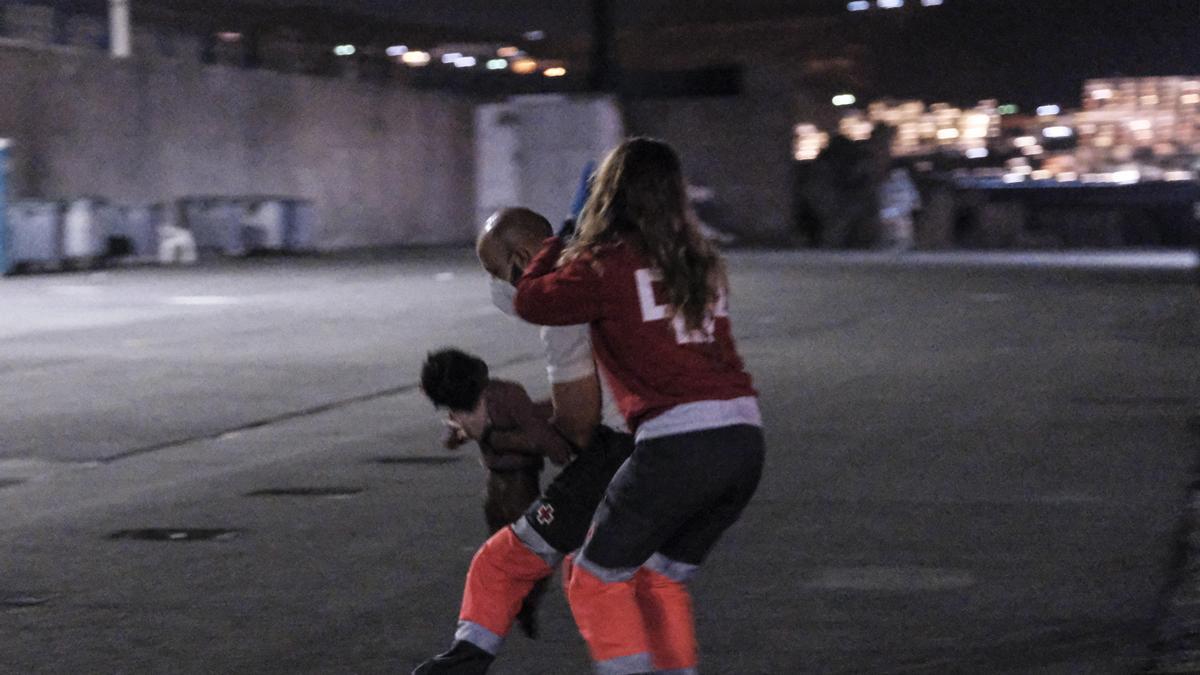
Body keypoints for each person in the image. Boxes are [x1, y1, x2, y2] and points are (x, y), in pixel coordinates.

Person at [512, 137, 765, 675]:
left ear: (611, 195)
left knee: (593, 577)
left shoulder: (604, 265)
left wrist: (563, 234)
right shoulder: (700, 260)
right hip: (743, 439)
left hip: (679, 443)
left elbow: (530, 299)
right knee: (658, 578)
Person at [413, 208, 635, 675]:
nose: (496, 286)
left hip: (626, 450)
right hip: (699, 438)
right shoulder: (608, 266)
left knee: (518, 567)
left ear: (521, 256)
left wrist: (496, 432)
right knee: (647, 579)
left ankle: (464, 663)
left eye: (495, 272)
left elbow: (576, 430)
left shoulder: (562, 302)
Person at [420, 348, 569, 641]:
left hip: (503, 487)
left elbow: (538, 438)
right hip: (510, 487)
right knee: (534, 556)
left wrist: (478, 434)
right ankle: (522, 605)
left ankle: (513, 609)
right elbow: (552, 446)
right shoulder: (499, 396)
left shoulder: (483, 400)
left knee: (516, 557)